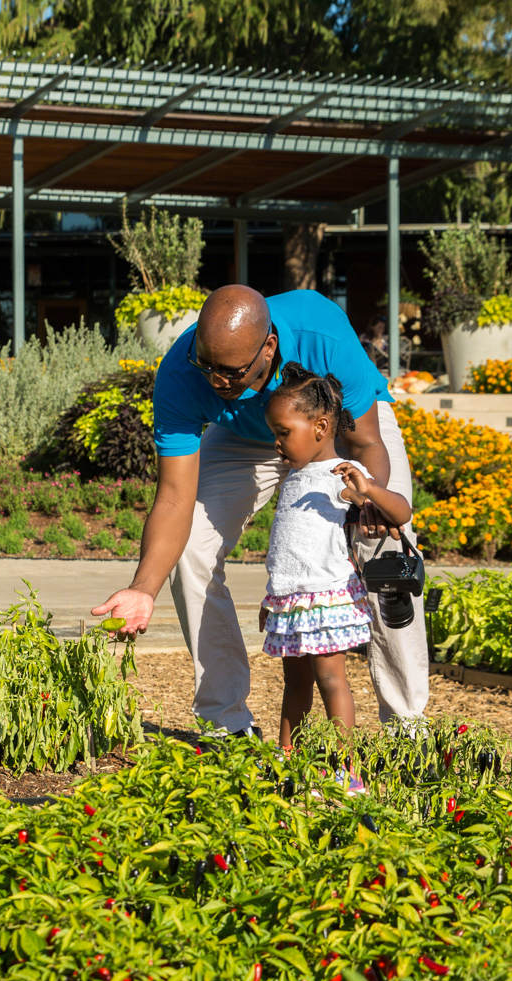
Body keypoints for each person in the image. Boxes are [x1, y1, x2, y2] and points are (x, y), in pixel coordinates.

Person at [90, 284, 429, 738]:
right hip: (249, 435)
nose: (215, 382)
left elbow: (365, 440)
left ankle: (407, 727)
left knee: (383, 548)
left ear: (268, 347)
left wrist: (370, 501)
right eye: (206, 366)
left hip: (340, 428)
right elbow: (174, 497)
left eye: (229, 372)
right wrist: (142, 588)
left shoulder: (319, 331)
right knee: (189, 551)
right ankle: (227, 724)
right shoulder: (180, 371)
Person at [259, 363, 412, 775]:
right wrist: (270, 598)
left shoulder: (342, 475)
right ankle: (287, 759)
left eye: (283, 433)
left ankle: (347, 768)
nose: (277, 444)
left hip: (325, 598)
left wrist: (369, 490)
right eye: (275, 434)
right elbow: (288, 549)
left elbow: (400, 512)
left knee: (331, 681)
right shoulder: (291, 477)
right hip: (290, 600)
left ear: (322, 426)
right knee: (294, 685)